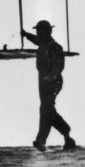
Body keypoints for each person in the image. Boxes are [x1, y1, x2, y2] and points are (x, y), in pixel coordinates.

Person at [20, 20, 76, 152]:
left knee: (45, 109)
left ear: (47, 32)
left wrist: (50, 77)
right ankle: (66, 134)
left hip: (53, 82)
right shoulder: (43, 43)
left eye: (40, 32)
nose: (38, 34)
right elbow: (35, 40)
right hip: (43, 82)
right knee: (48, 110)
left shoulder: (54, 47)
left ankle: (41, 140)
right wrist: (25, 34)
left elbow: (58, 66)